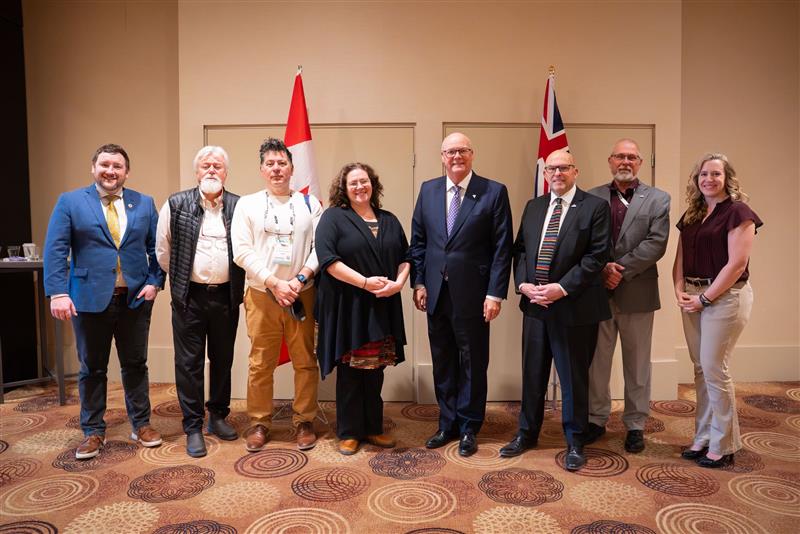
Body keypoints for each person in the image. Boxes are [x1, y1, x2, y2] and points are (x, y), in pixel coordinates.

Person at [44, 143, 165, 460]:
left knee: (135, 365)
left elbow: (157, 250)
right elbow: (56, 250)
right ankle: (93, 431)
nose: (111, 171)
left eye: (118, 166)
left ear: (126, 171)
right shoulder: (71, 202)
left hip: (134, 300)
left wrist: (155, 283)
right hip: (88, 300)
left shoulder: (144, 203)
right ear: (93, 168)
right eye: (105, 165)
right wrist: (58, 292)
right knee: (92, 368)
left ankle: (142, 424)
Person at [500, 149, 611, 471]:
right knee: (532, 374)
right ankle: (527, 433)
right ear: (545, 174)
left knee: (573, 378)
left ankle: (575, 440)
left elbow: (596, 256)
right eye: (552, 169)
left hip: (574, 308)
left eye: (563, 168)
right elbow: (519, 250)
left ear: (575, 171)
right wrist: (523, 284)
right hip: (535, 305)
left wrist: (560, 288)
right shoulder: (534, 207)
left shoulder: (594, 207)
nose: (557, 174)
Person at [409, 132, 513, 457]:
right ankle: (447, 422)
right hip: (436, 293)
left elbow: (501, 247)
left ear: (472, 154)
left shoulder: (493, 191)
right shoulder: (428, 190)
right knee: (443, 360)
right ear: (441, 156)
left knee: (472, 361)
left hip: (475, 295)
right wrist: (419, 282)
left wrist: (495, 294)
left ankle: (469, 426)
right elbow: (419, 241)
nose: (456, 156)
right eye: (450, 151)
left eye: (462, 151)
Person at [231, 137, 322, 452]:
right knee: (260, 362)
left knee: (306, 360)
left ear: (292, 168)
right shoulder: (247, 204)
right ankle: (259, 421)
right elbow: (241, 251)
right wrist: (273, 282)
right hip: (260, 294)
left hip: (302, 294)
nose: (276, 169)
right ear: (261, 169)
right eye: (270, 163)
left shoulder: (310, 204)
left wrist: (297, 279)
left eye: (282, 163)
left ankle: (304, 420)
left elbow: (319, 249)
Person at [673, 153, 761, 469]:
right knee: (701, 368)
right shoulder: (694, 214)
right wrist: (679, 289)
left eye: (715, 174)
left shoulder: (739, 213)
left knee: (714, 367)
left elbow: (737, 264)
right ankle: (703, 436)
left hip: (725, 297)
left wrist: (705, 299)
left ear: (727, 178)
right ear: (697, 181)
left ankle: (724, 444)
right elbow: (680, 257)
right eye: (703, 175)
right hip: (693, 296)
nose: (709, 179)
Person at [155, 146, 244, 457]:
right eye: (205, 166)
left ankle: (217, 416)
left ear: (226, 173)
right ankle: (193, 425)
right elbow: (163, 250)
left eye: (217, 166)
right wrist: (183, 279)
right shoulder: (176, 204)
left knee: (223, 359)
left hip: (226, 297)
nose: (211, 170)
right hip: (189, 298)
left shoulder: (238, 206)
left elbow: (245, 251)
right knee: (189, 364)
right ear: (196, 172)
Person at [315, 163, 409, 455]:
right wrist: (365, 283)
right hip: (350, 305)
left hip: (383, 304)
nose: (359, 187)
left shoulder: (389, 219)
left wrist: (399, 283)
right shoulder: (333, 218)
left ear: (373, 184)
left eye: (364, 181)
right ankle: (349, 431)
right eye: (353, 183)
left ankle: (372, 428)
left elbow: (407, 257)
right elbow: (328, 260)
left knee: (376, 370)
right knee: (351, 372)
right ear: (344, 188)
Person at [585, 139, 670, 453]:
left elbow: (656, 243)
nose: (625, 161)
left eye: (631, 157)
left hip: (638, 292)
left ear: (640, 162)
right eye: (619, 156)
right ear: (610, 161)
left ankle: (635, 424)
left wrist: (620, 269)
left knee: (637, 364)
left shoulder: (658, 199)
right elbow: (584, 241)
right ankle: (596, 419)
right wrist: (602, 270)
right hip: (597, 293)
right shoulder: (591, 197)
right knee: (597, 362)